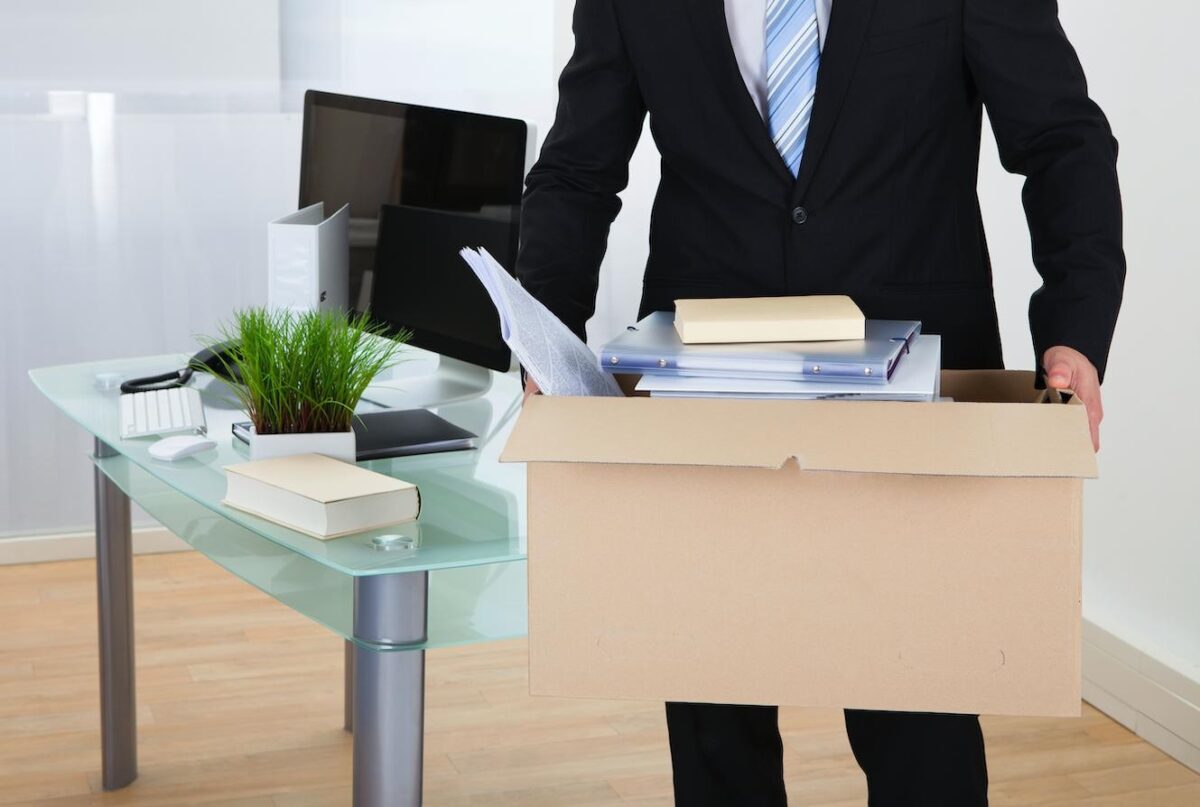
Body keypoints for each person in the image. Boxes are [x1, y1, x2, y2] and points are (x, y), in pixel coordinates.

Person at [515, 0, 1125, 804]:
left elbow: (1061, 140)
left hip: (914, 402)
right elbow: (577, 168)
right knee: (714, 719)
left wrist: (1075, 330)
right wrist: (544, 334)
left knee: (920, 721)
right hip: (704, 395)